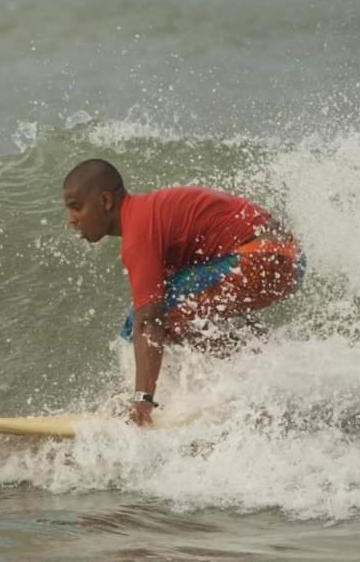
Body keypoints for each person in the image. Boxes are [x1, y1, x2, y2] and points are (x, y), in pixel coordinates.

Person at [62, 158, 305, 426]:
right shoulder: (147, 215)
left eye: (76, 208)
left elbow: (150, 321)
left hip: (267, 256)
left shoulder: (139, 232)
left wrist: (143, 399)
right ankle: (271, 361)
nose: (71, 220)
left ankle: (246, 371)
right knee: (144, 319)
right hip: (280, 256)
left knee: (153, 318)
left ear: (105, 201)